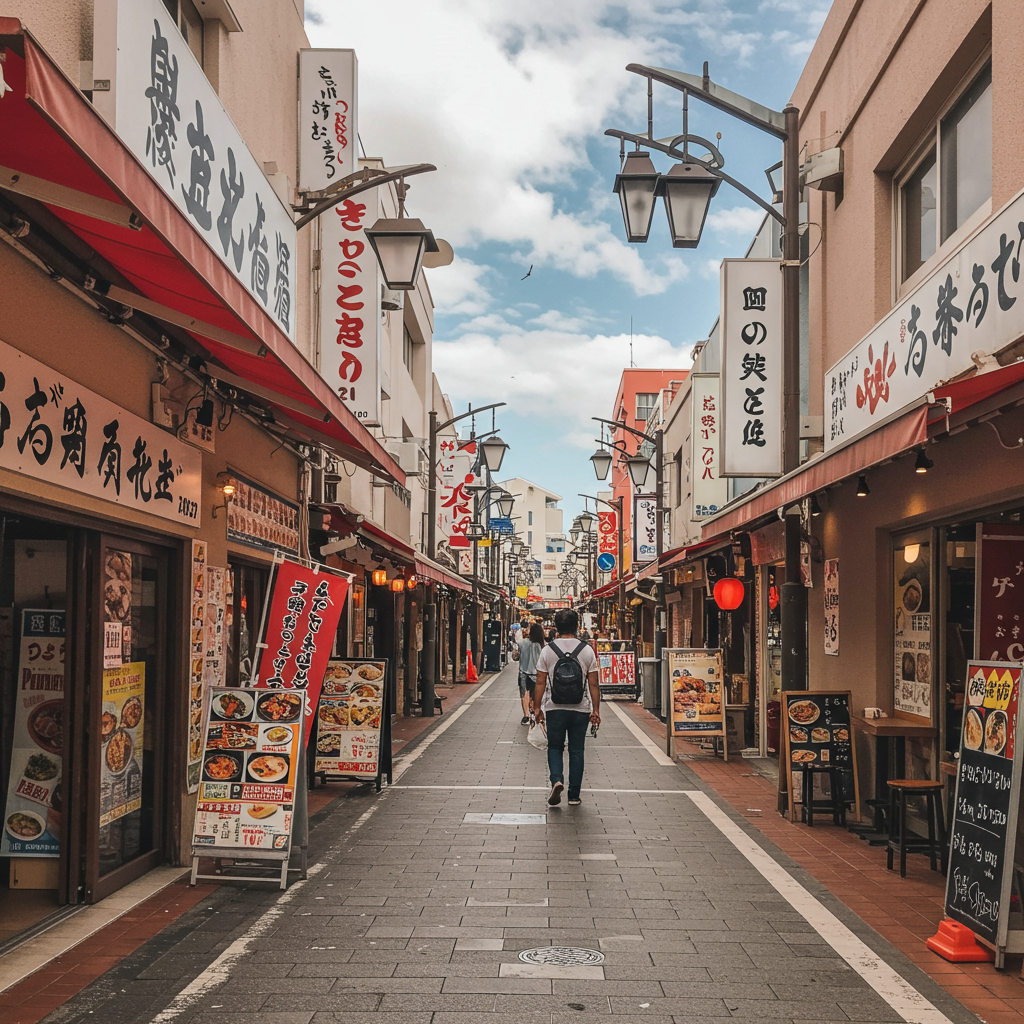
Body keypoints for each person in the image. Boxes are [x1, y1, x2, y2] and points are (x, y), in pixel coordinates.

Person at [534, 608, 600, 807]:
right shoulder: (587, 650)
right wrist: (596, 710)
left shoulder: (548, 650)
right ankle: (574, 795)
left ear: (556, 627)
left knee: (555, 747)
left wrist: (537, 708)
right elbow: (594, 684)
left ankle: (557, 780)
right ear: (577, 626)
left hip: (554, 707)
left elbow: (539, 681)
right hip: (580, 708)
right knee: (577, 750)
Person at [515, 623, 545, 724]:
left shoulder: (522, 643)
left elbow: (516, 657)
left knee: (524, 693)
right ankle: (533, 712)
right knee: (535, 694)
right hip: (537, 673)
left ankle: (526, 715)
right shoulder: (542, 645)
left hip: (523, 671)